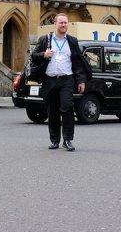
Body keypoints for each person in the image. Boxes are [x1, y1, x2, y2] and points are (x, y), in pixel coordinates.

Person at [31, 13, 90, 151]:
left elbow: (77, 62)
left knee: (67, 108)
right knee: (52, 111)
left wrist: (81, 80)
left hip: (66, 80)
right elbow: (33, 56)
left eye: (65, 23)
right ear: (55, 24)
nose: (63, 25)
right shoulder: (45, 40)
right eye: (61, 23)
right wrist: (43, 55)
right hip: (50, 79)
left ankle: (68, 140)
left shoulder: (72, 41)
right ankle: (54, 140)